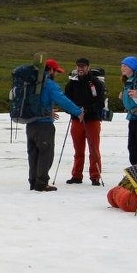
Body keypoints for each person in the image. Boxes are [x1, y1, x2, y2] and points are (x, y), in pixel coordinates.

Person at [23, 59, 84, 192]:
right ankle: (41, 183)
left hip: (30, 123)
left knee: (33, 154)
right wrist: (78, 111)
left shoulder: (30, 83)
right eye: (56, 71)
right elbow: (61, 99)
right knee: (46, 153)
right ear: (50, 70)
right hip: (44, 125)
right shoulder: (49, 84)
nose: (56, 74)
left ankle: (33, 181)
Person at [63, 57, 107, 185]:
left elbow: (100, 103)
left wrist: (85, 110)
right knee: (78, 150)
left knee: (94, 149)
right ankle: (76, 175)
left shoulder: (96, 83)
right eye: (78, 66)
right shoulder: (72, 83)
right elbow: (66, 102)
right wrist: (75, 111)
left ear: (88, 67)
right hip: (76, 120)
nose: (80, 68)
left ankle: (95, 176)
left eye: (82, 66)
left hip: (92, 120)